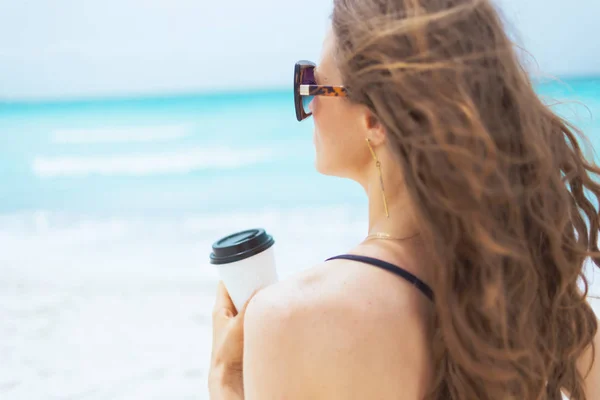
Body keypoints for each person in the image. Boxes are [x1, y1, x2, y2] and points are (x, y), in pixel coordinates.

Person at [209, 0, 600, 398]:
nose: (310, 105)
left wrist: (226, 379)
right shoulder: (556, 310)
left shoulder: (288, 316)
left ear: (374, 120)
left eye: (314, 83)